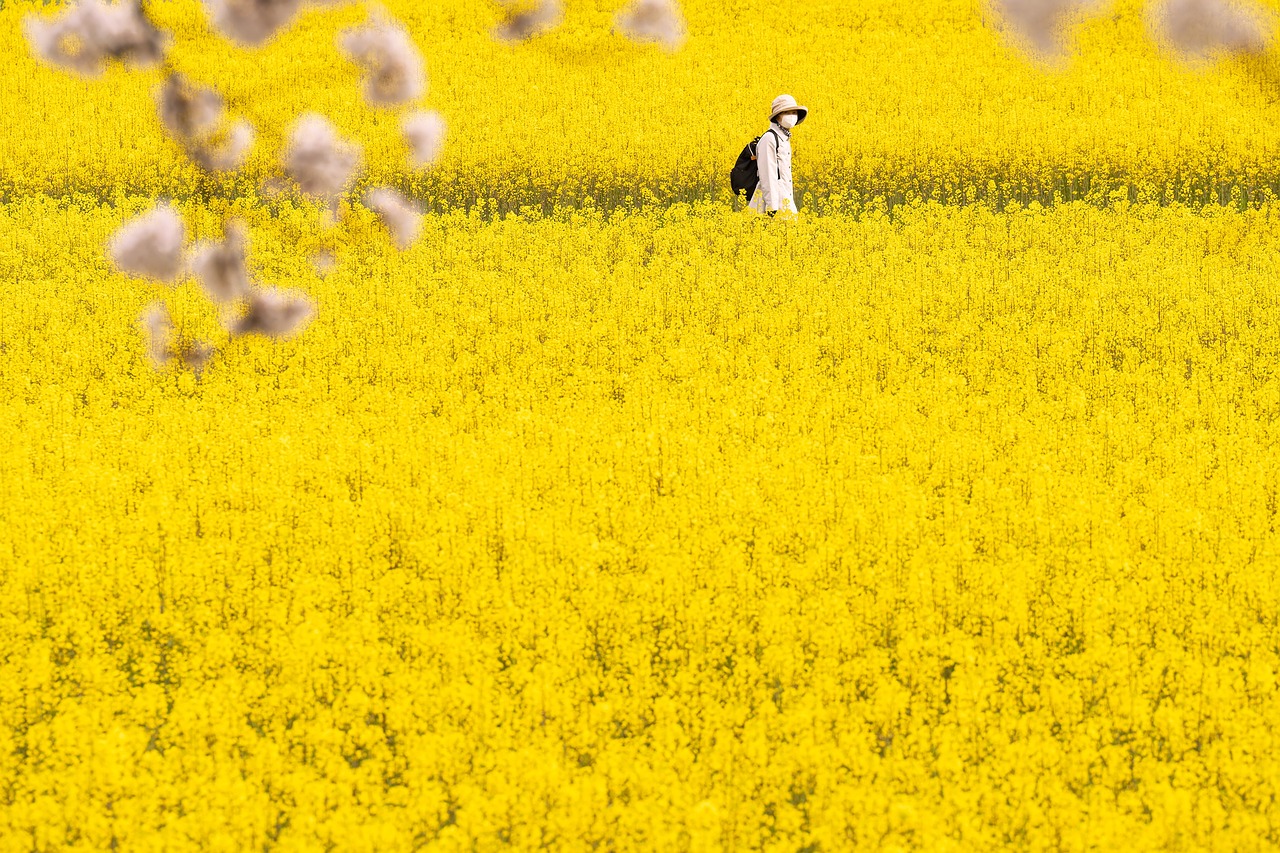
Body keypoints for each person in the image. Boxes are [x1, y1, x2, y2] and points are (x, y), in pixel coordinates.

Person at [749, 94, 808, 217]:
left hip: (785, 201)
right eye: (786, 112)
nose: (791, 116)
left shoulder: (784, 139)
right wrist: (772, 209)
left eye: (794, 112)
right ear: (777, 116)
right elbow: (767, 175)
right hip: (771, 207)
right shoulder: (769, 138)